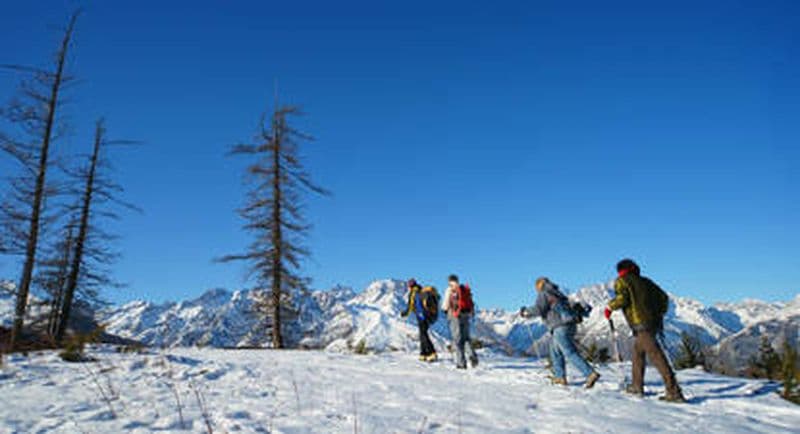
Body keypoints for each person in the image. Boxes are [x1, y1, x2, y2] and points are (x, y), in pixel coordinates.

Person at [604, 259, 685, 402]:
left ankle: (674, 391)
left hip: (640, 324)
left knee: (656, 356)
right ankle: (637, 386)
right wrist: (659, 312)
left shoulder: (622, 281)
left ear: (621, 270)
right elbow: (664, 298)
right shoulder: (647, 282)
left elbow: (622, 299)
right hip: (653, 323)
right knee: (637, 354)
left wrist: (609, 307)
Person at [521, 277, 601, 388]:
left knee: (569, 352)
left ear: (539, 285)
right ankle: (560, 377)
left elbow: (539, 309)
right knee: (554, 351)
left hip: (560, 326)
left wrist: (525, 312)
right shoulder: (558, 293)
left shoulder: (544, 293)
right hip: (569, 325)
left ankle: (590, 373)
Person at [442, 274, 479, 369]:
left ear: (449, 281)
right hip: (466, 315)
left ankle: (461, 363)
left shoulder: (450, 289)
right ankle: (472, 355)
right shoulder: (463, 289)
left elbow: (445, 305)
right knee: (466, 338)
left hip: (455, 316)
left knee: (457, 340)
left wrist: (445, 311)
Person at [401, 278, 439, 362]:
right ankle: (423, 353)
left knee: (423, 334)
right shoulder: (421, 290)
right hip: (428, 315)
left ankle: (431, 352)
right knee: (423, 334)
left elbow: (411, 306)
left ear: (410, 286)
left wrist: (405, 313)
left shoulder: (413, 293)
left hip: (421, 316)